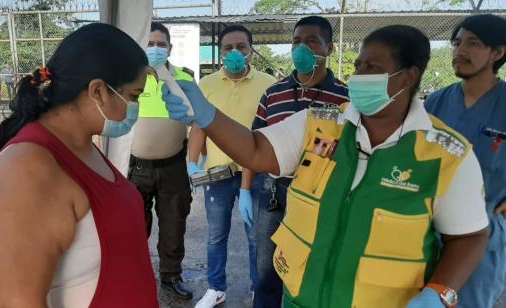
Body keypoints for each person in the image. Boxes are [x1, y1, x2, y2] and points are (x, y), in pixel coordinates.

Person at [165, 25, 489, 308]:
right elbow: (255, 149)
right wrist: (206, 113)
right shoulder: (320, 123)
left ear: (408, 76)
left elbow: (470, 237)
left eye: (372, 67)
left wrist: (439, 292)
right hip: (302, 299)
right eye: (359, 64)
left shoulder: (445, 154)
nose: (359, 75)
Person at [0, 23, 158, 307]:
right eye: (134, 96)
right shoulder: (26, 169)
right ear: (98, 91)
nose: (135, 107)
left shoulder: (82, 145)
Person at [238, 16, 349, 308]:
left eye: (312, 41)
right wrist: (245, 190)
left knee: (313, 267)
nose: (302, 47)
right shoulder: (273, 94)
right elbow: (253, 143)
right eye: (297, 41)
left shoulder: (344, 97)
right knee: (266, 271)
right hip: (273, 192)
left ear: (329, 48)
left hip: (319, 196)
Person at [187, 25, 276, 308]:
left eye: (241, 47)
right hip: (218, 173)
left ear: (251, 51)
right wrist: (191, 163)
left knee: (258, 238)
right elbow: (200, 125)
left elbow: (267, 131)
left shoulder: (268, 83)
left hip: (259, 173)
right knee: (216, 235)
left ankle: (257, 288)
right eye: (228, 48)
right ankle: (216, 288)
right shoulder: (207, 84)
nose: (235, 52)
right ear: (220, 52)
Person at [425, 14, 506, 308]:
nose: (460, 51)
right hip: (427, 231)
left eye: (473, 43)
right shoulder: (435, 102)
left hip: (482, 238)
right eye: (457, 43)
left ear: (498, 53)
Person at [127, 21, 194, 300]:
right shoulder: (128, 79)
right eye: (150, 44)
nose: (155, 49)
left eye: (160, 44)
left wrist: (194, 161)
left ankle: (171, 276)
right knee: (131, 227)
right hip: (134, 168)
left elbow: (197, 120)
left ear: (170, 47)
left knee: (173, 225)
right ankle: (132, 276)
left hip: (173, 167)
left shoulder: (185, 80)